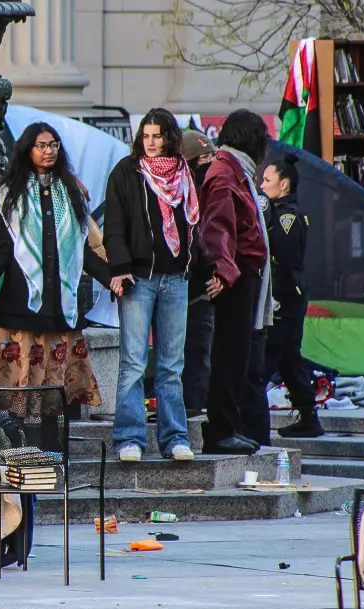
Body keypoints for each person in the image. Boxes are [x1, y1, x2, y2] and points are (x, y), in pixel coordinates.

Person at [0, 122, 109, 407]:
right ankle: (21, 447)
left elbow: (82, 249)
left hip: (60, 304)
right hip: (23, 303)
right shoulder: (9, 195)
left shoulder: (72, 193)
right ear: (27, 150)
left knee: (56, 393)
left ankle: (52, 447)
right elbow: (1, 250)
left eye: (53, 145)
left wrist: (110, 277)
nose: (48, 151)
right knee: (20, 389)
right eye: (41, 146)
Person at [103, 108, 198, 463]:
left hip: (176, 279)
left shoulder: (184, 174)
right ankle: (129, 438)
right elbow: (114, 225)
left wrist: (196, 263)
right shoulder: (127, 173)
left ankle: (175, 437)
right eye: (146, 136)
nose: (152, 142)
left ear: (169, 137)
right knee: (133, 361)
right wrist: (120, 268)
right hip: (139, 279)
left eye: (158, 135)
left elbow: (193, 224)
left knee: (172, 364)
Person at [199, 110, 272, 454]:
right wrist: (226, 272)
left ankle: (229, 426)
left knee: (238, 354)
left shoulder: (235, 169)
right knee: (230, 354)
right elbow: (217, 229)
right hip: (235, 274)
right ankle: (221, 430)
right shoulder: (226, 173)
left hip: (242, 272)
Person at [262, 155, 321, 438]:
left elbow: (284, 263)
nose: (262, 186)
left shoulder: (286, 217)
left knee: (264, 361)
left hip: (285, 298)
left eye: (267, 180)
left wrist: (276, 299)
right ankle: (308, 415)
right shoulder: (279, 211)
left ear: (283, 184)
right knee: (288, 358)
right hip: (288, 297)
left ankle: (249, 416)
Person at [181, 130, 218, 415]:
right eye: (203, 158)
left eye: (212, 156)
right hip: (181, 284)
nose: (210, 163)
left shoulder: (216, 190)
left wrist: (220, 272)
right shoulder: (177, 191)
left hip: (204, 287)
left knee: (198, 352)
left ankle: (194, 408)